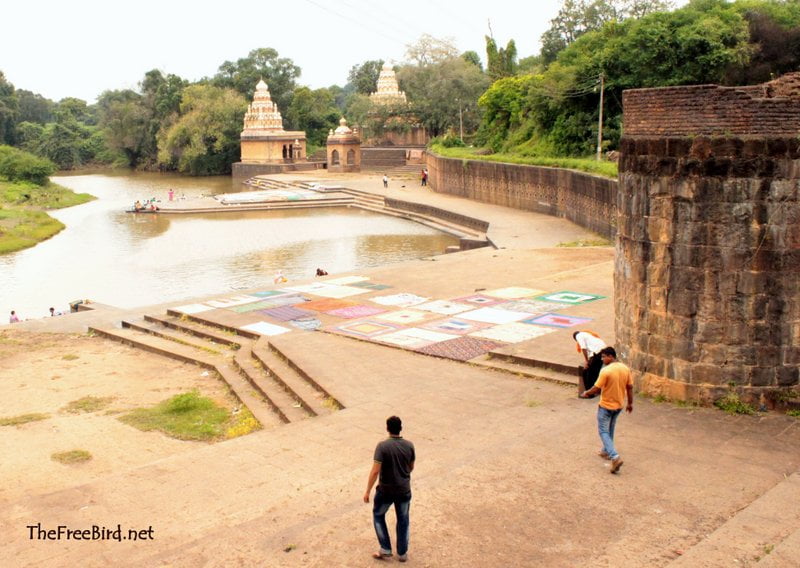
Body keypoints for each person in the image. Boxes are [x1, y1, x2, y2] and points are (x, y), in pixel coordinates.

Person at [364, 416, 415, 562]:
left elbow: (375, 471)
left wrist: (367, 490)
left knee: (378, 515)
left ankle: (385, 548)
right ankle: (402, 553)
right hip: (404, 490)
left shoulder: (382, 447)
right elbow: (411, 467)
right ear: (401, 428)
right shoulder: (409, 445)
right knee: (403, 519)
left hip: (386, 491)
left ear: (387, 428)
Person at [580, 347, 633, 474]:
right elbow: (629, 387)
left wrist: (586, 393)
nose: (602, 359)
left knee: (603, 431)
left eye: (604, 357)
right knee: (610, 429)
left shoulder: (606, 371)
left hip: (606, 405)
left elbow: (596, 388)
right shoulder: (625, 369)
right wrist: (630, 403)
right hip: (619, 405)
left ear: (611, 356)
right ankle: (605, 451)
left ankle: (615, 457)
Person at [573, 330, 607, 396]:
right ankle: (596, 390)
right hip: (603, 350)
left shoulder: (578, 336)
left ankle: (589, 393)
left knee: (586, 372)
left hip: (597, 352)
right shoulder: (587, 334)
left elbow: (583, 348)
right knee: (596, 372)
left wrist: (586, 361)